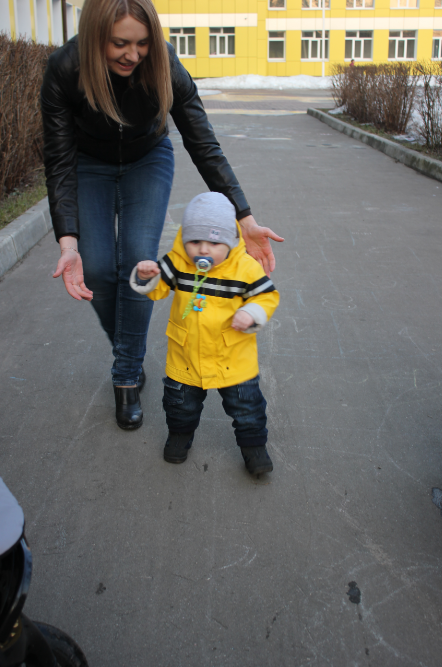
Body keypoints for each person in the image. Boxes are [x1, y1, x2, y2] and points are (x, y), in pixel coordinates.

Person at [40, 0, 283, 431]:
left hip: (147, 160)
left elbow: (202, 142)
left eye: (142, 43)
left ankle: (126, 373)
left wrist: (244, 219)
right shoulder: (65, 68)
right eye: (120, 43)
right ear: (95, 36)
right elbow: (58, 161)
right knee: (98, 270)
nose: (133, 55)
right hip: (88, 165)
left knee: (139, 264)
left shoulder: (164, 64)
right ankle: (128, 347)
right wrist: (68, 243)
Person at [129, 192, 280, 475]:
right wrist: (147, 277)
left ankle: (254, 446)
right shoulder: (177, 262)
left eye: (213, 243)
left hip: (233, 357)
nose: (203, 250)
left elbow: (267, 296)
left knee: (247, 408)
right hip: (186, 355)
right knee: (179, 405)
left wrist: (252, 312)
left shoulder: (244, 268)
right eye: (194, 241)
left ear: (230, 241)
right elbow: (158, 290)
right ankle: (179, 435)